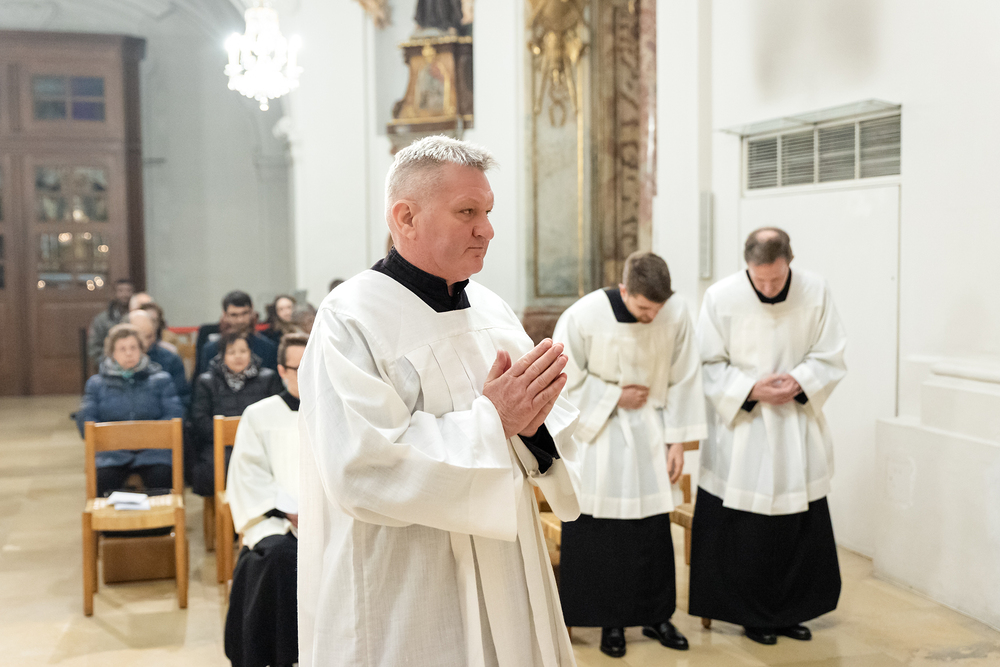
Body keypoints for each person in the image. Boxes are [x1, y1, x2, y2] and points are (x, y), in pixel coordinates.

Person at [298, 135, 582, 667]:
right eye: (467, 212)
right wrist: (495, 421)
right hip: (408, 578)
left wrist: (532, 426)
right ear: (406, 217)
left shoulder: (491, 310)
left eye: (488, 212)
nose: (487, 229)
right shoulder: (350, 318)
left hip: (506, 562)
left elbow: (541, 432)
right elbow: (360, 465)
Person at [689, 227, 847, 645]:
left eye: (776, 279)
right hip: (744, 430)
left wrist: (801, 380)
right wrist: (750, 389)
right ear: (747, 266)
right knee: (745, 529)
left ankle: (790, 612)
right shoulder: (721, 297)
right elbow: (705, 363)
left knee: (797, 527)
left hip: (795, 423)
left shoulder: (816, 291)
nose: (769, 289)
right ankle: (751, 615)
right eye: (759, 280)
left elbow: (831, 354)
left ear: (789, 261)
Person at [553, 251, 707, 658]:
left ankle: (657, 616)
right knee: (605, 535)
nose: (650, 317)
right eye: (642, 309)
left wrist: (678, 442)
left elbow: (686, 376)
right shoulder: (583, 316)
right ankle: (612, 623)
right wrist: (613, 396)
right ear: (624, 291)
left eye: (657, 309)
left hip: (652, 435)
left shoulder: (675, 314)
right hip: (600, 436)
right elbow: (562, 380)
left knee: (652, 533)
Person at [225, 333, 308, 667]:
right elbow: (248, 474)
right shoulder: (259, 415)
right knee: (277, 558)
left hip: (332, 518)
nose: (307, 374)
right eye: (298, 368)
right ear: (282, 370)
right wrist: (289, 511)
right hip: (276, 518)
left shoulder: (336, 411)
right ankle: (283, 658)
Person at [76, 323, 184, 495]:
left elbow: (174, 414)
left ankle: (160, 514)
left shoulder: (161, 380)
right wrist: (116, 439)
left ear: (142, 350)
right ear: (112, 353)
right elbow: (87, 419)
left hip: (153, 451)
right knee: (103, 479)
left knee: (162, 476)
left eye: (133, 348)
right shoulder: (96, 384)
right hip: (112, 453)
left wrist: (145, 438)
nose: (128, 353)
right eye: (122, 349)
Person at [189, 330, 282, 498]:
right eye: (231, 352)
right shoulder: (206, 381)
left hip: (258, 443)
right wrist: (227, 435)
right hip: (218, 444)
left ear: (251, 353)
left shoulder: (268, 378)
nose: (238, 356)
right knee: (214, 467)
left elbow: (274, 414)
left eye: (243, 351)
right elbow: (199, 419)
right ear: (222, 355)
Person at [195, 291, 278, 378]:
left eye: (244, 313)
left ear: (252, 312)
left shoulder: (268, 348)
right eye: (234, 315)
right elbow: (202, 382)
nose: (240, 320)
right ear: (225, 315)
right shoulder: (211, 350)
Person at [129, 309, 190, 410]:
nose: (145, 343)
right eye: (139, 338)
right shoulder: (113, 364)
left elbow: (182, 401)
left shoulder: (171, 360)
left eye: (149, 336)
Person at [86, 278, 134, 367]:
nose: (125, 294)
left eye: (129, 291)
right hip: (109, 366)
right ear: (114, 293)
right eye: (121, 291)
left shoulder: (139, 318)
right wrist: (110, 361)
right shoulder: (102, 320)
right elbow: (94, 348)